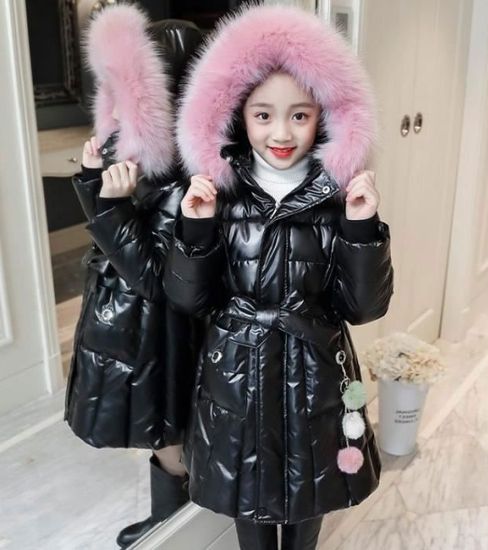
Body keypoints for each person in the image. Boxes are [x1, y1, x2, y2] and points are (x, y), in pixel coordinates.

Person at [163, 4, 394, 550]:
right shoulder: (217, 193)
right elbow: (189, 300)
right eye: (263, 115)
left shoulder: (340, 195)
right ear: (237, 115)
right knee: (249, 505)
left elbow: (363, 307)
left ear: (326, 115)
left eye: (300, 115)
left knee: (311, 501)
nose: (282, 132)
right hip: (236, 375)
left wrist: (361, 229)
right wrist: (195, 231)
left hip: (316, 373)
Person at [63, 5, 203, 548]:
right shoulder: (143, 154)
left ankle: (183, 527)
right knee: (161, 428)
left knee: (168, 428)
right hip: (135, 326)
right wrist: (94, 182)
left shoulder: (186, 173)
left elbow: (152, 276)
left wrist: (110, 204)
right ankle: (172, 521)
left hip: (159, 330)